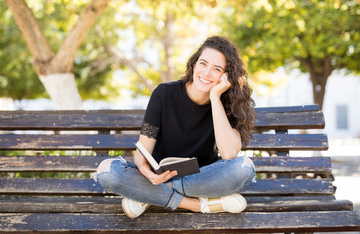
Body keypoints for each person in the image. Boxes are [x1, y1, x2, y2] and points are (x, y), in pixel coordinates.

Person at [93, 36, 256, 219]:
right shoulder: (164, 93)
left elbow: (229, 154)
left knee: (244, 168)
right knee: (106, 170)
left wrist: (215, 98)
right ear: (194, 65)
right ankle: (197, 204)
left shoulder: (228, 103)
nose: (207, 73)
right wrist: (146, 171)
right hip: (158, 175)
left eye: (217, 69)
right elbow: (142, 148)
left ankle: (147, 196)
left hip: (201, 178)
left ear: (226, 76)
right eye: (203, 63)